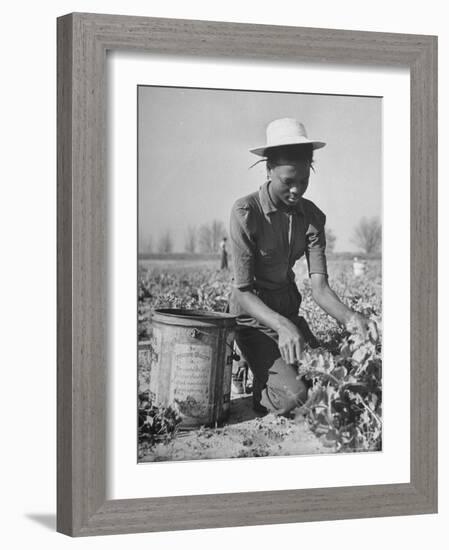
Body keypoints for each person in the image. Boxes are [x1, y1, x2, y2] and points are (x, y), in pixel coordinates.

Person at [228, 118, 378, 415]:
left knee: (329, 375)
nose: (297, 190)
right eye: (288, 181)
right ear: (268, 170)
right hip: (252, 319)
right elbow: (243, 291)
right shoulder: (246, 212)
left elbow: (320, 289)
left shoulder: (312, 218)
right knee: (296, 396)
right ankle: (246, 362)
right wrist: (282, 326)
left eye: (304, 181)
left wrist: (352, 320)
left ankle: (270, 364)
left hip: (288, 315)